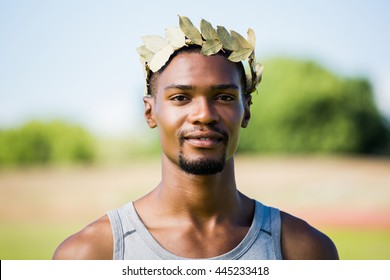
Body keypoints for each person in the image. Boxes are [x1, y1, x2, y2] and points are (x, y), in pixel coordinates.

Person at [53, 16, 339, 260]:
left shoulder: (305, 251)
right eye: (181, 97)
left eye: (224, 97)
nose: (204, 114)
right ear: (150, 113)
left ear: (246, 110)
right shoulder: (91, 254)